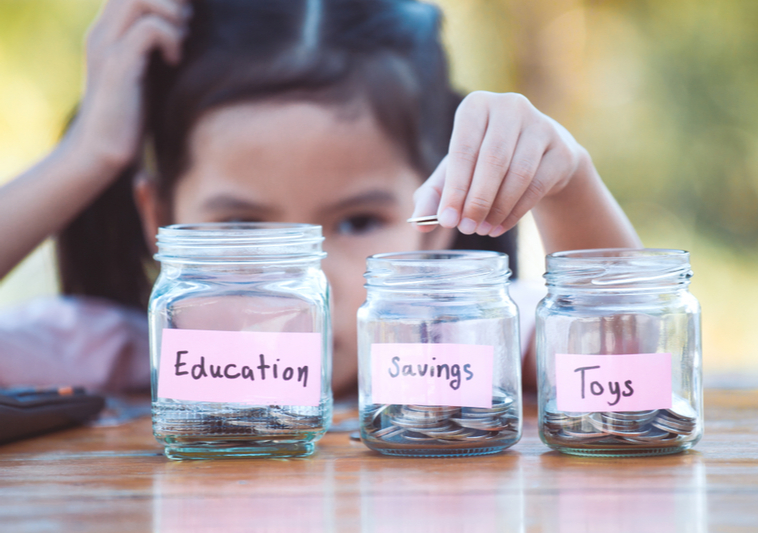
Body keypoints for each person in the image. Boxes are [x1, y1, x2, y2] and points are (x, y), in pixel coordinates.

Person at [0, 0, 640, 396]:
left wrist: (569, 182)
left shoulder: (464, 342)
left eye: (358, 219)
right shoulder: (113, 355)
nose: (298, 283)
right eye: (243, 228)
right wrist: (85, 159)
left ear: (434, 218)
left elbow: (629, 353)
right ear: (161, 221)